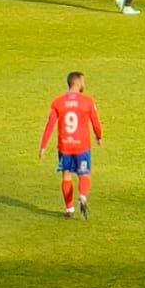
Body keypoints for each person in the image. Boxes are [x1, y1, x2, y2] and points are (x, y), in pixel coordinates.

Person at [39, 70, 103, 219]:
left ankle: (69, 209)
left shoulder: (58, 102)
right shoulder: (87, 101)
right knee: (84, 174)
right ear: (78, 82)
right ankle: (83, 195)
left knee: (66, 176)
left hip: (65, 146)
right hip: (82, 146)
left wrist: (43, 146)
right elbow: (95, 122)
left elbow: (50, 125)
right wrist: (98, 136)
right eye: (83, 81)